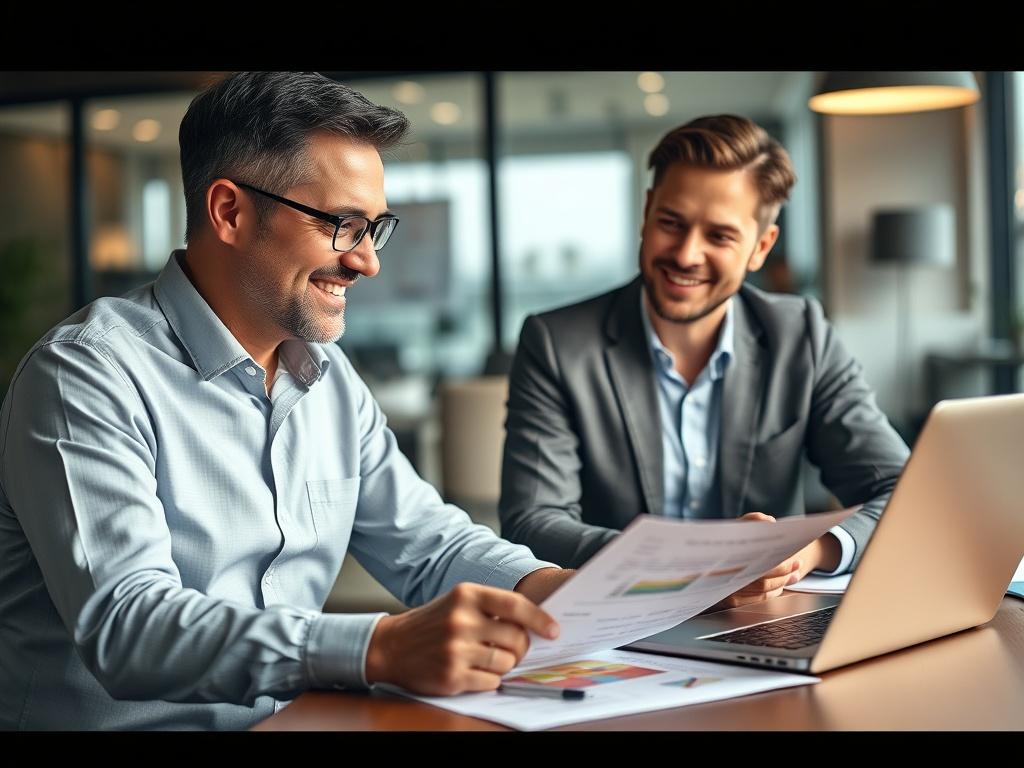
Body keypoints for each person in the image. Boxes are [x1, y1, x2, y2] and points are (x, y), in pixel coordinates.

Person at [0, 71, 572, 731]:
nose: (367, 263)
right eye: (343, 225)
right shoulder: (85, 374)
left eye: (374, 229)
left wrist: (544, 589)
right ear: (230, 212)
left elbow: (428, 545)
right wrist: (376, 646)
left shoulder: (330, 378)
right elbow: (129, 625)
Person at [499, 114, 909, 608]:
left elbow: (901, 490)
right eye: (671, 223)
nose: (687, 254)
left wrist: (809, 551)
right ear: (647, 212)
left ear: (760, 247)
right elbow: (535, 521)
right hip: (618, 624)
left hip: (766, 618)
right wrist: (688, 569)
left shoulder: (802, 334)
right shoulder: (557, 342)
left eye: (719, 236)